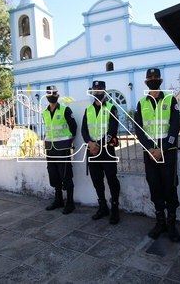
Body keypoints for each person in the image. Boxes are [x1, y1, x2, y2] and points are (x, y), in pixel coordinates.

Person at [134, 68, 180, 242]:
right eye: (150, 77)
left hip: (167, 153)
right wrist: (150, 149)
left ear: (160, 80)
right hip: (150, 153)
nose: (153, 79)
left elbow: (175, 127)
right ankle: (160, 222)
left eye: (156, 77)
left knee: (170, 187)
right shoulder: (141, 103)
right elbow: (139, 130)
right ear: (146, 81)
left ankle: (172, 224)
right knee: (155, 187)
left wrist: (163, 148)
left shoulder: (170, 99)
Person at [81, 81, 121, 224]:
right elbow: (84, 130)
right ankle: (102, 206)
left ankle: (115, 208)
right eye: (94, 89)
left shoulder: (112, 108)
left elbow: (112, 130)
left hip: (107, 151)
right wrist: (90, 143)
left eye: (100, 89)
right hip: (92, 151)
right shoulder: (88, 110)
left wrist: (99, 144)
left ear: (105, 90)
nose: (97, 91)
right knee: (97, 180)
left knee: (111, 179)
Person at [42, 85, 78, 214]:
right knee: (53, 174)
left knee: (66, 174)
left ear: (58, 95)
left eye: (54, 93)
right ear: (47, 95)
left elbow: (74, 128)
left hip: (63, 148)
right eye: (49, 93)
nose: (52, 95)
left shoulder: (65, 110)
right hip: (50, 148)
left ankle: (70, 203)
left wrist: (68, 142)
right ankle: (58, 200)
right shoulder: (45, 112)